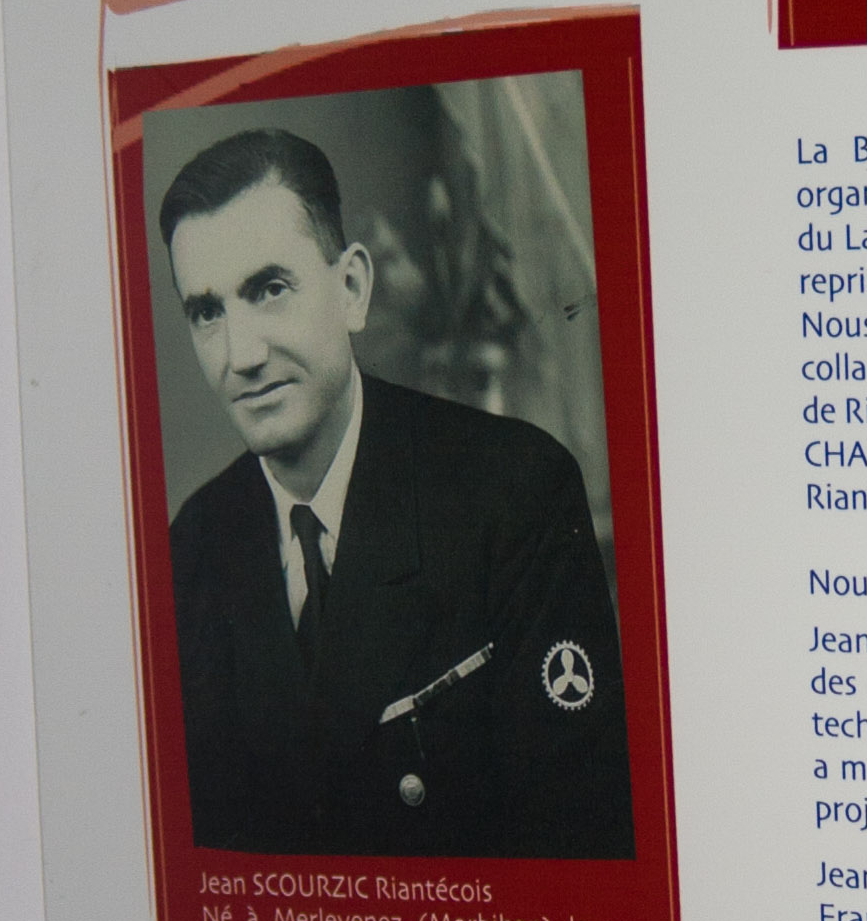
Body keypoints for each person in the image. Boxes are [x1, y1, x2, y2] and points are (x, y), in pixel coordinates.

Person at [159, 127, 634, 858]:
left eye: (270, 290)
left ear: (351, 289)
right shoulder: (192, 549)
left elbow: (581, 846)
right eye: (207, 312)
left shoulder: (515, 494)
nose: (240, 355)